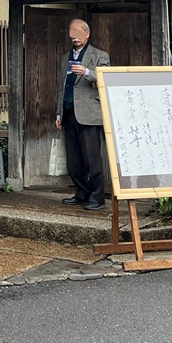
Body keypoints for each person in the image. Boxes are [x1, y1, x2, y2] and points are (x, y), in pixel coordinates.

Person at [54, 19, 111, 211]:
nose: (74, 37)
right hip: (69, 113)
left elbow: (106, 76)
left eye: (78, 33)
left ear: (87, 34)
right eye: (72, 33)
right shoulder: (65, 58)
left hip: (89, 114)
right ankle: (81, 193)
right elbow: (61, 87)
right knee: (74, 159)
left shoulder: (99, 55)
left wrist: (87, 71)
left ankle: (97, 198)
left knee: (92, 158)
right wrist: (59, 112)